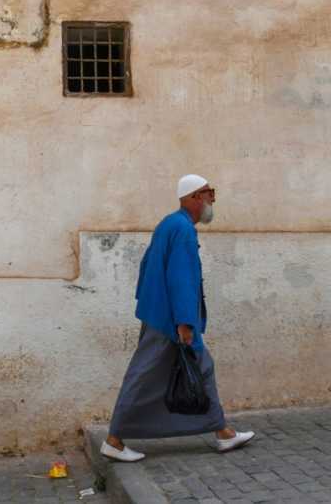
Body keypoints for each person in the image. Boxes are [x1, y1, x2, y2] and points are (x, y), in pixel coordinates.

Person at [101, 174, 255, 462]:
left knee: (198, 368)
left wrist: (149, 303)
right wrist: (185, 322)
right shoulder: (183, 230)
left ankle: (223, 432)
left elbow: (147, 266)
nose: (212, 200)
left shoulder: (169, 223)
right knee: (145, 373)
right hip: (170, 320)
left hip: (159, 313)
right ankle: (114, 440)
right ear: (195, 197)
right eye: (210, 194)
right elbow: (181, 278)